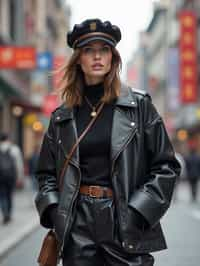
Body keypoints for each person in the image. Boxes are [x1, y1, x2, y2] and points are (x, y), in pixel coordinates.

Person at [35, 18, 181, 266]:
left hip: (123, 219)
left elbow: (166, 166)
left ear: (113, 57)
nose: (97, 57)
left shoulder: (139, 106)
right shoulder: (62, 117)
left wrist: (137, 212)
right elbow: (45, 174)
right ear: (78, 59)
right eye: (89, 50)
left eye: (104, 50)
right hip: (77, 223)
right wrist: (54, 211)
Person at [0, 133, 23, 224]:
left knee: (2, 195)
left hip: (1, 177)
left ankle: (5, 213)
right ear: (8, 139)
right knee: (10, 195)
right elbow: (19, 165)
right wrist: (19, 177)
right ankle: (8, 213)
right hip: (11, 176)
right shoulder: (14, 149)